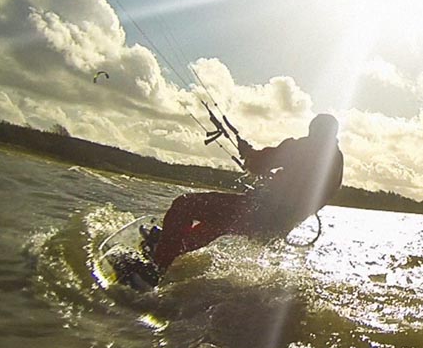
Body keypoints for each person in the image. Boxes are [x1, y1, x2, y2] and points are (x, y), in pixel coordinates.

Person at [147, 114, 343, 271]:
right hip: (275, 227)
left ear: (315, 131)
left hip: (258, 213)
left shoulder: (305, 147)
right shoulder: (336, 162)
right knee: (217, 224)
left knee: (185, 204)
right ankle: (170, 247)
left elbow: (260, 163)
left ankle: (157, 267)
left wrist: (249, 154)